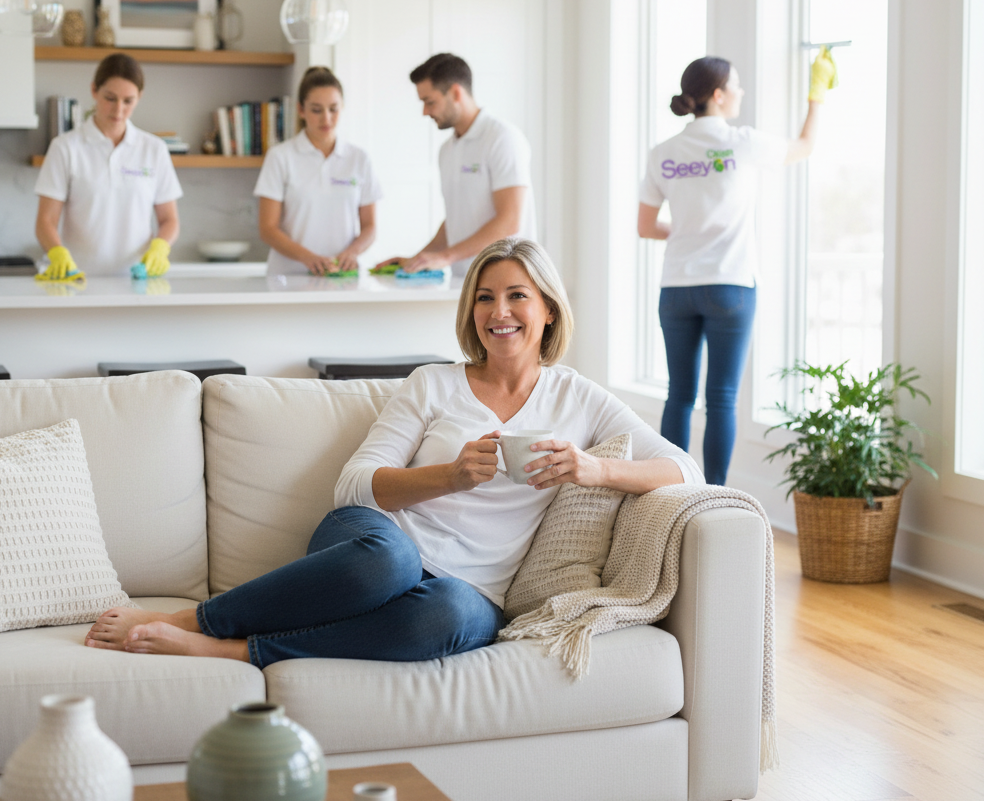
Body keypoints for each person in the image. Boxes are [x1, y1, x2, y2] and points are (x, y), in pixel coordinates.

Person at [84, 238, 701, 666]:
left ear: (546, 310)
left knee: (451, 620)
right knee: (392, 562)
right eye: (485, 297)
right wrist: (450, 476)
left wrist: (595, 469)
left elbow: (685, 469)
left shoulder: (580, 398)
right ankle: (205, 620)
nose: (499, 312)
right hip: (371, 544)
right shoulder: (432, 382)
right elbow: (353, 487)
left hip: (470, 587)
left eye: (517, 296)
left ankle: (236, 651)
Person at [637, 50, 838, 486]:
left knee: (679, 396)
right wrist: (816, 93)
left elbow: (646, 226)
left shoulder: (663, 152)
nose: (741, 91)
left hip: (677, 288)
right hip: (730, 286)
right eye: (737, 85)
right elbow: (804, 147)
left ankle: (668, 494)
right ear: (718, 94)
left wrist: (689, 229)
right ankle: (715, 498)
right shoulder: (740, 141)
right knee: (722, 399)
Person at [378, 53, 537, 277]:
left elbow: (510, 221)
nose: (425, 112)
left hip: (508, 280)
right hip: (465, 280)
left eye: (429, 102)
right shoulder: (447, 151)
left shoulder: (502, 138)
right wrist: (417, 260)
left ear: (455, 93)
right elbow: (456, 222)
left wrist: (445, 257)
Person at [34, 53, 181, 279]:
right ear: (94, 90)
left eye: (128, 100)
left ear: (139, 97)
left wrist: (161, 247)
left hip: (138, 281)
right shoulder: (65, 148)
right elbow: (46, 221)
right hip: (78, 280)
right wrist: (57, 253)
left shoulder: (154, 149)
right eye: (110, 98)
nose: (118, 109)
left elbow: (169, 219)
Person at [255, 66, 382, 276]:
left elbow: (370, 226)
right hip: (289, 276)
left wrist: (352, 252)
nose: (326, 119)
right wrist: (308, 258)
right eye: (316, 110)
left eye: (333, 109)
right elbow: (268, 229)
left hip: (342, 278)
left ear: (342, 107)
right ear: (301, 110)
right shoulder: (280, 157)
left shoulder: (359, 158)